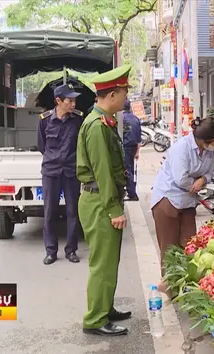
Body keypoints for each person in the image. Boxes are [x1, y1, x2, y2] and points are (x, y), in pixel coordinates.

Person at [76, 65, 133, 336]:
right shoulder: (97, 126)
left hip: (102, 200)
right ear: (112, 95)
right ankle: (95, 319)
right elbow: (102, 172)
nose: (126, 99)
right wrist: (114, 209)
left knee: (109, 261)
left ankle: (105, 308)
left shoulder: (103, 122)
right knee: (102, 264)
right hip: (99, 201)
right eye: (123, 93)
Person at [151, 117, 214, 288]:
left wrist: (202, 180)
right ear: (205, 140)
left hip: (188, 201)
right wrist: (197, 182)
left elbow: (209, 172)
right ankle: (169, 285)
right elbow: (180, 179)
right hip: (167, 199)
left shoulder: (208, 150)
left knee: (190, 244)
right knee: (169, 248)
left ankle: (187, 284)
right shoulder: (182, 148)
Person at [37, 84, 84, 265]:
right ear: (58, 101)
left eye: (74, 100)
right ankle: (51, 251)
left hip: (71, 171)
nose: (73, 103)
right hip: (51, 171)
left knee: (73, 212)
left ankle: (71, 250)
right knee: (50, 212)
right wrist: (54, 158)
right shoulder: (44, 120)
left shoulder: (78, 119)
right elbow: (42, 146)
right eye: (69, 100)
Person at [122, 98, 142, 201]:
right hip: (134, 148)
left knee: (127, 170)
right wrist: (137, 152)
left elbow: (120, 136)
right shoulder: (136, 119)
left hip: (125, 148)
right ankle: (132, 191)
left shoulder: (122, 119)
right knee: (132, 170)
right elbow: (139, 138)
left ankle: (132, 193)